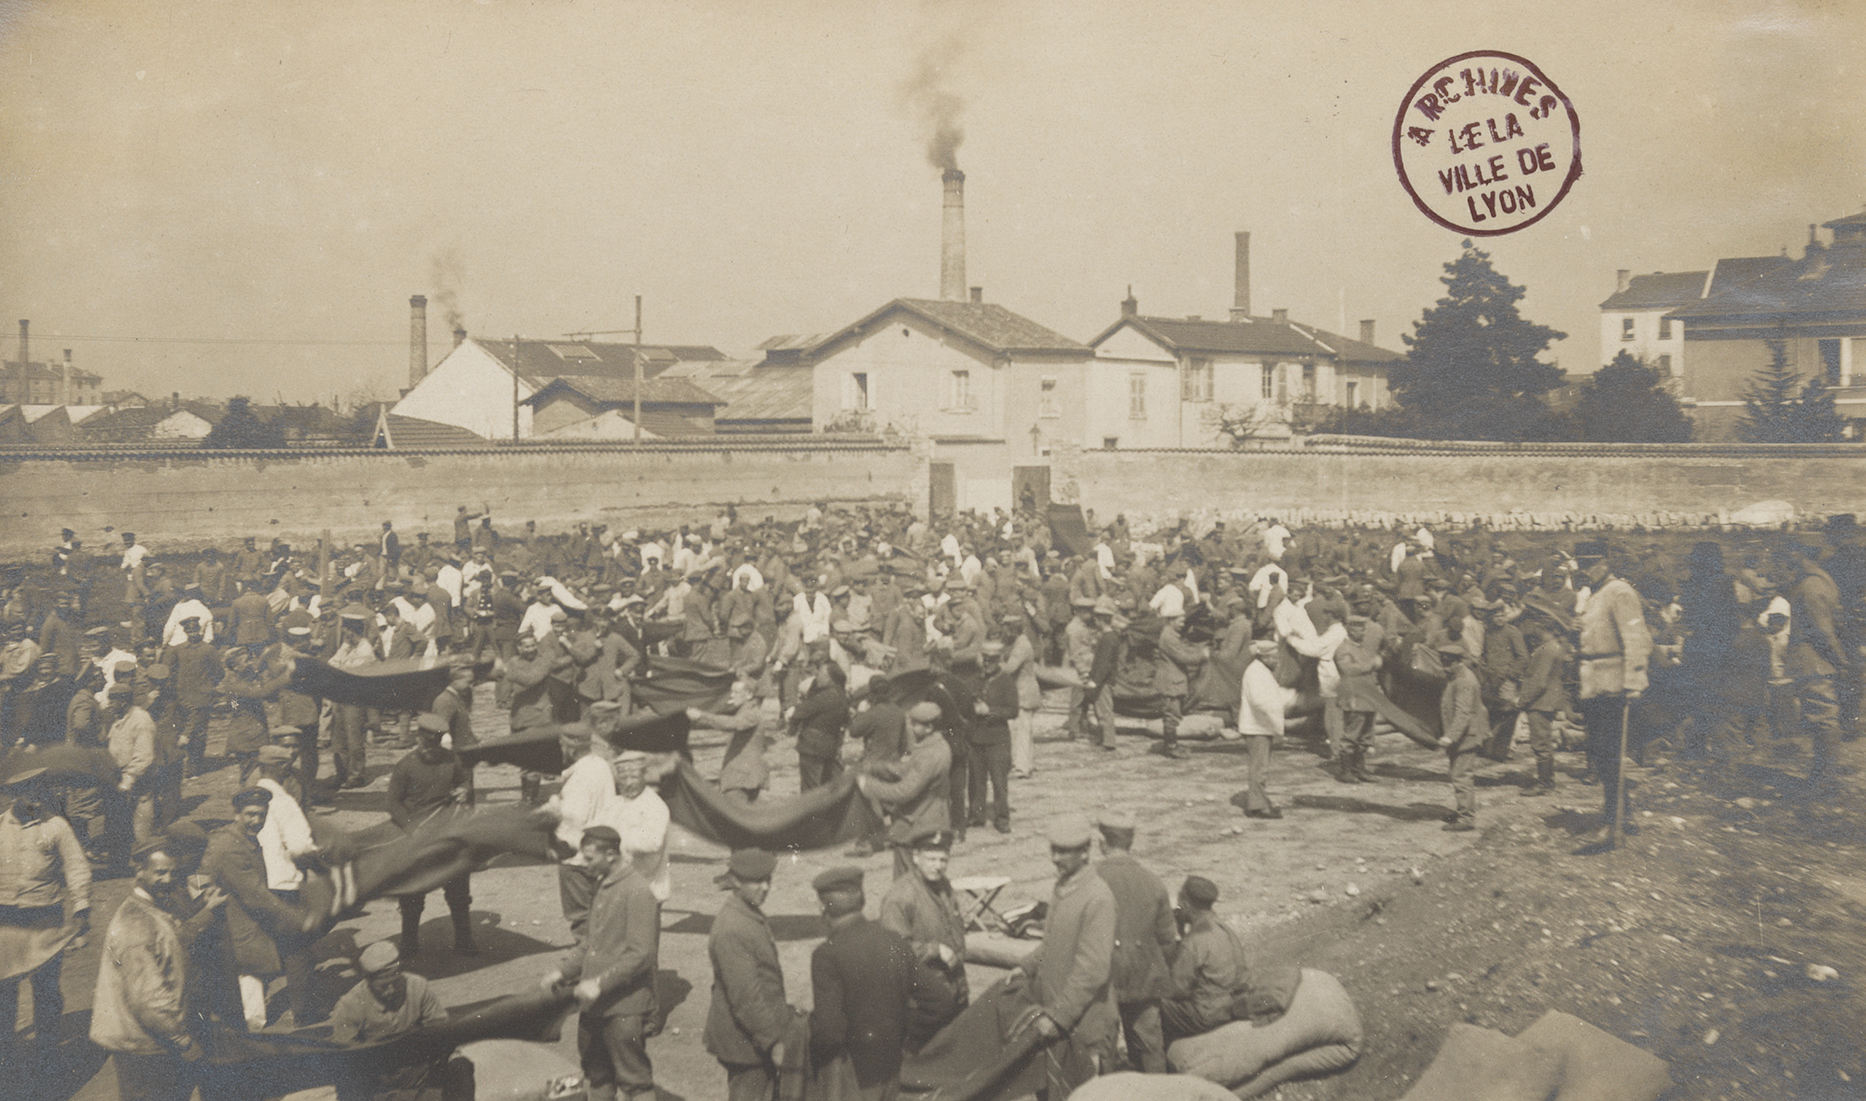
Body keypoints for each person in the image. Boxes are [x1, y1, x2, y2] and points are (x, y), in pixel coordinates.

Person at [542, 825, 661, 1101]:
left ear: (610, 854)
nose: (585, 864)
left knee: (635, 1082)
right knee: (597, 1074)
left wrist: (599, 984)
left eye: (590, 858)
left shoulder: (637, 891)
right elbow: (591, 943)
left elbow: (642, 954)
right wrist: (563, 970)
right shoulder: (603, 885)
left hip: (624, 1007)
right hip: (595, 1004)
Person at [91, 846, 209, 1101]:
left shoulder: (151, 909)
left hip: (154, 1041)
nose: (167, 879)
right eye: (159, 872)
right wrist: (183, 1040)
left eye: (171, 872)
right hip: (146, 1047)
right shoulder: (136, 923)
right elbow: (148, 999)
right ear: (139, 871)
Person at [201, 787, 321, 1031]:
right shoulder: (231, 846)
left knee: (250, 969)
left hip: (240, 916)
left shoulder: (241, 838)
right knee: (249, 972)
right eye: (250, 814)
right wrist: (295, 917)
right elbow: (254, 893)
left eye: (261, 814)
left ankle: (250, 1026)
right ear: (236, 814)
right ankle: (251, 1035)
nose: (257, 821)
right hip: (237, 921)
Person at [1017, 818, 1117, 1099]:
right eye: (1053, 850)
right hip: (1060, 1020)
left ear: (1085, 852)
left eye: (1063, 851)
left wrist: (1058, 1016)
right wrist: (1025, 967)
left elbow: (1093, 970)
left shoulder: (1097, 897)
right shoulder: (1064, 887)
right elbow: (1052, 945)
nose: (1054, 858)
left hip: (1086, 1028)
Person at [0, 768, 91, 1057]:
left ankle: (47, 1052)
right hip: (6, 919)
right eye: (26, 791)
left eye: (37, 790)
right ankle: (5, 1052)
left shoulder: (56, 827)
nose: (34, 798)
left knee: (46, 988)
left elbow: (76, 867)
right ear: (13, 794)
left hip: (45, 917)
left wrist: (81, 908)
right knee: (4, 988)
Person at [806, 866, 915, 1101]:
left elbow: (829, 1032)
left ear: (822, 907)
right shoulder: (893, 940)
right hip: (894, 1070)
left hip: (855, 1078)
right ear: (862, 900)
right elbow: (939, 1001)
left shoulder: (826, 955)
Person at [704, 848, 800, 1101]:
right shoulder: (733, 929)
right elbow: (747, 998)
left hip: (754, 1036)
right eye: (757, 881)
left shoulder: (747, 913)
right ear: (735, 881)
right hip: (746, 1042)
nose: (765, 887)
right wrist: (773, 1042)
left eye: (768, 880)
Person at [1573, 541, 1651, 843]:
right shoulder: (1594, 595)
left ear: (1606, 562)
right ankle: (1622, 814)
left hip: (1615, 684)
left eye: (1592, 562)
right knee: (1602, 754)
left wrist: (1633, 681)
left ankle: (1613, 822)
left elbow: (1636, 637)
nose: (1586, 569)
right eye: (1582, 563)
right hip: (1595, 683)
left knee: (1609, 754)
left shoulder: (1620, 591)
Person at [1092, 811, 1176, 1073]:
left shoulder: (1091, 880)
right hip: (1145, 976)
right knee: (1150, 1047)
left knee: (1104, 1047)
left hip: (1102, 979)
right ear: (1130, 842)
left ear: (1102, 841)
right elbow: (1168, 941)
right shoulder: (1153, 882)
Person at [328, 941, 462, 1101]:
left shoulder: (417, 986)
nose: (391, 991)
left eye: (396, 982)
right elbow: (344, 1060)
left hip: (416, 1070)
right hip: (377, 1080)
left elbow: (440, 1028)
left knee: (460, 1066)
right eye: (382, 987)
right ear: (368, 982)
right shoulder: (349, 1005)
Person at [388, 714, 476, 955]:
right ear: (418, 738)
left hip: (448, 833)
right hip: (417, 836)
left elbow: (466, 783)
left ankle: (464, 942)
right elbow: (393, 803)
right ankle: (409, 944)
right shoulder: (405, 766)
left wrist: (464, 791)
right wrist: (411, 828)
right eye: (427, 744)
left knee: (458, 891)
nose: (430, 750)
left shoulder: (452, 760)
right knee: (413, 894)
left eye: (435, 744)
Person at [878, 827, 969, 1052]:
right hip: (921, 1002)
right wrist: (934, 950)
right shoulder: (900, 896)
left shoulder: (944, 885)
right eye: (931, 859)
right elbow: (893, 949)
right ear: (916, 857)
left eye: (943, 860)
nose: (938, 866)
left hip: (954, 989)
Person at [857, 701, 953, 879]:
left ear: (929, 727)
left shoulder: (930, 755)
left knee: (907, 881)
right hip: (930, 820)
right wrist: (876, 767)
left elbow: (904, 792)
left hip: (918, 825)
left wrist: (867, 786)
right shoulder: (933, 746)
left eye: (914, 724)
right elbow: (907, 770)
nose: (909, 728)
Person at [1160, 876, 1245, 1045]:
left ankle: (1164, 1059)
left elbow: (1177, 990)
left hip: (1207, 1015)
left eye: (1179, 902)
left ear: (1185, 903)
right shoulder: (1225, 930)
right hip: (1232, 1005)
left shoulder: (1194, 942)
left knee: (1154, 1003)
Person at [1517, 601, 1572, 797]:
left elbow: (1538, 682)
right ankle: (1547, 781)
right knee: (1545, 742)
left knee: (1540, 743)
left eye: (1537, 626)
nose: (1534, 629)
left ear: (1542, 628)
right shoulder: (1554, 647)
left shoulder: (1545, 650)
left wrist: (1522, 701)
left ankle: (1545, 783)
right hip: (1548, 701)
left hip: (1540, 702)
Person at [1233, 638, 1290, 819]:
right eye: (1273, 658)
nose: (1277, 661)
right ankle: (1258, 806)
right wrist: (1278, 710)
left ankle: (1258, 803)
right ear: (1263, 657)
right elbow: (1260, 701)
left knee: (1260, 767)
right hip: (1257, 727)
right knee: (1259, 768)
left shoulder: (1260, 670)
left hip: (1260, 726)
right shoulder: (1256, 672)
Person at [1435, 643, 1488, 833]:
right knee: (1458, 774)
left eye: (1449, 663)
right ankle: (1462, 811)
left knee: (1461, 776)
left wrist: (1450, 737)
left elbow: (1463, 713)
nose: (1445, 667)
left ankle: (1466, 818)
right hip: (1464, 735)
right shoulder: (1457, 676)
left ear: (1458, 662)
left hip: (1467, 735)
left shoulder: (1464, 680)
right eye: (1444, 662)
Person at [609, 749, 672, 903]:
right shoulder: (615, 803)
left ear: (644, 776)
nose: (629, 782)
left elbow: (651, 843)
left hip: (647, 888)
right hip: (621, 885)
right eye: (623, 778)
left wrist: (613, 843)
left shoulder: (653, 805)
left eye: (634, 777)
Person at [967, 641, 1015, 834]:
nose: (987, 663)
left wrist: (990, 711)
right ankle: (976, 816)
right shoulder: (974, 680)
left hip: (998, 739)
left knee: (999, 782)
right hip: (976, 738)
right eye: (985, 659)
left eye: (992, 660)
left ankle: (1002, 818)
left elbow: (1013, 710)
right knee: (976, 781)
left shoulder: (1006, 681)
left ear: (1000, 660)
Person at [790, 658, 849, 792]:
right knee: (825, 787)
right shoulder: (841, 695)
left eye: (819, 675)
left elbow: (799, 712)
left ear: (829, 678)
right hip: (829, 745)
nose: (816, 678)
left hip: (812, 746)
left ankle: (810, 813)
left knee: (810, 789)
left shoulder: (826, 696)